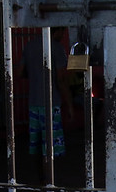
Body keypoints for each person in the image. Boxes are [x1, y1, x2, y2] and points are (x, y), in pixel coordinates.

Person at [16, 28, 73, 182]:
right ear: (57, 31)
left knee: (37, 147)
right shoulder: (56, 47)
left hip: (33, 103)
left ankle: (42, 185)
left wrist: (36, 74)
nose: (63, 35)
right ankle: (50, 187)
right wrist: (69, 104)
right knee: (51, 149)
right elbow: (61, 80)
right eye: (63, 31)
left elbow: (19, 73)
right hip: (51, 103)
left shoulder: (29, 45)